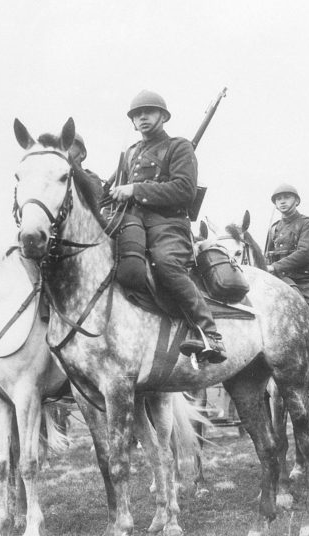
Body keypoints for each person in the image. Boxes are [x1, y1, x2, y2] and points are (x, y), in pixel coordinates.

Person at [109, 90, 226, 364]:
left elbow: (185, 190)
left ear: (162, 116)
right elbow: (115, 189)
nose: (142, 117)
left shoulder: (179, 147)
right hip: (132, 222)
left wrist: (136, 189)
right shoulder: (131, 152)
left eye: (148, 112)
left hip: (168, 225)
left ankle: (210, 334)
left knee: (165, 264)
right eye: (137, 114)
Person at [264, 184, 309, 361]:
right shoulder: (273, 228)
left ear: (296, 201)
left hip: (304, 279)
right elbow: (266, 255)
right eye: (278, 199)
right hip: (279, 280)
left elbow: (306, 253)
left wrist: (275, 267)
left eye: (286, 197)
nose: (282, 201)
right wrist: (267, 267)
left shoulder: (308, 223)